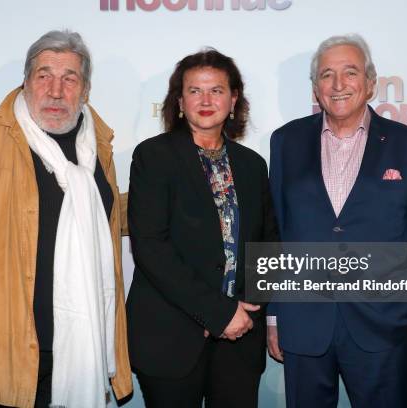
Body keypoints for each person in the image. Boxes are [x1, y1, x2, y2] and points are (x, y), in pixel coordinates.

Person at [0, 30, 132, 408]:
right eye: (44, 76)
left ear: (84, 90)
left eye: (69, 78)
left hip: (80, 352)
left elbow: (108, 215)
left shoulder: (97, 147)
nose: (56, 90)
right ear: (25, 81)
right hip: (2, 360)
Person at [267, 34, 407, 407]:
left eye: (350, 72)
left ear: (371, 83)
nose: (339, 84)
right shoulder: (285, 142)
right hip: (304, 323)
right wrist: (274, 315)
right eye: (327, 75)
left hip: (382, 323)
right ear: (316, 89)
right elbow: (277, 233)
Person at [127, 48, 279, 408]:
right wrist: (216, 312)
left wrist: (248, 306)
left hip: (241, 335)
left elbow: (269, 243)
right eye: (195, 91)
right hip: (172, 335)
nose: (206, 100)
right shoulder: (153, 157)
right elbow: (151, 248)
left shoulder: (252, 165)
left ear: (234, 98)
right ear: (180, 100)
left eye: (217, 90)